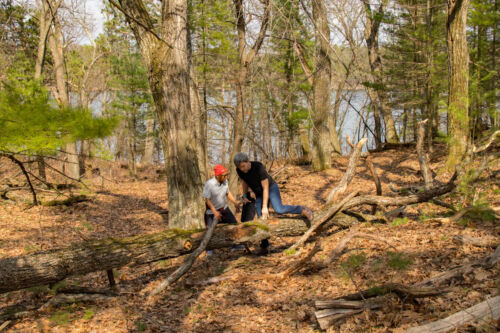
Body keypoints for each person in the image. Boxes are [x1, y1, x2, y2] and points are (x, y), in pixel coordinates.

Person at [234, 152, 313, 222]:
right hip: (258, 193)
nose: (242, 169)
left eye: (243, 166)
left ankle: (302, 209)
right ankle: (264, 238)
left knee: (279, 209)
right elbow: (244, 181)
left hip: (270, 188)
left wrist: (265, 207)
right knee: (260, 217)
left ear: (248, 161)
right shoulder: (239, 170)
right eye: (240, 167)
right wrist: (244, 195)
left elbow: (265, 188)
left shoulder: (258, 167)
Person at [202, 164, 241, 255]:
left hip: (224, 209)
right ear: (218, 175)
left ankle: (235, 246)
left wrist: (235, 202)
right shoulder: (209, 184)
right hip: (211, 212)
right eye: (224, 175)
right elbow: (207, 200)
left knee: (234, 225)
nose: (226, 177)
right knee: (210, 231)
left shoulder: (225, 181)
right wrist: (215, 212)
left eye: (227, 175)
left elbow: (227, 193)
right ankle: (209, 251)